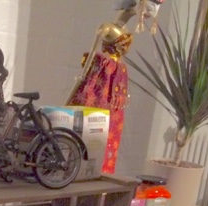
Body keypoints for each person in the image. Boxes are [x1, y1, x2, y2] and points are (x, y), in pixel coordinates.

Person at [66, 0, 164, 174]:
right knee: (89, 123)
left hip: (114, 82)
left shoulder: (123, 33)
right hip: (100, 79)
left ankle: (102, 169)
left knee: (110, 128)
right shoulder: (107, 29)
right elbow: (93, 50)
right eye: (148, 9)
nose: (148, 15)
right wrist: (83, 76)